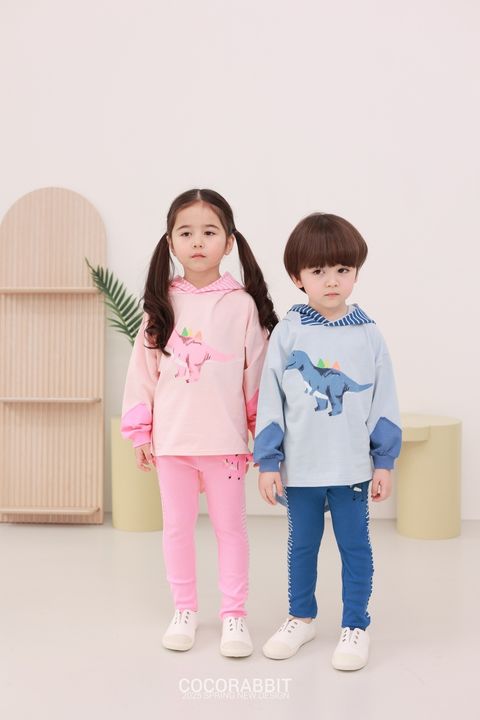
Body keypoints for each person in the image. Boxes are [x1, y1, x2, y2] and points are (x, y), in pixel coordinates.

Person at [120, 189, 277, 657]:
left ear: (229, 242)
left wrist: (263, 438)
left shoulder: (242, 304)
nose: (198, 242)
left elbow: (255, 376)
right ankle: (184, 609)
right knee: (176, 528)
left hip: (225, 442)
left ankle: (234, 616)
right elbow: (143, 373)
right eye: (186, 233)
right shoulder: (161, 303)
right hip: (173, 442)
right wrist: (140, 432)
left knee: (231, 529)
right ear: (171, 242)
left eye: (209, 232)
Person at [253, 212, 402, 670]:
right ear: (298, 277)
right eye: (318, 271)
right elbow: (271, 399)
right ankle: (301, 617)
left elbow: (383, 400)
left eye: (342, 269)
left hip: (352, 467)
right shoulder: (288, 332)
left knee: (355, 546)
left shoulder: (368, 334)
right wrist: (268, 461)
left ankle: (356, 624)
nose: (332, 280)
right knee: (302, 545)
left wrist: (384, 461)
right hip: (301, 468)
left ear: (356, 272)